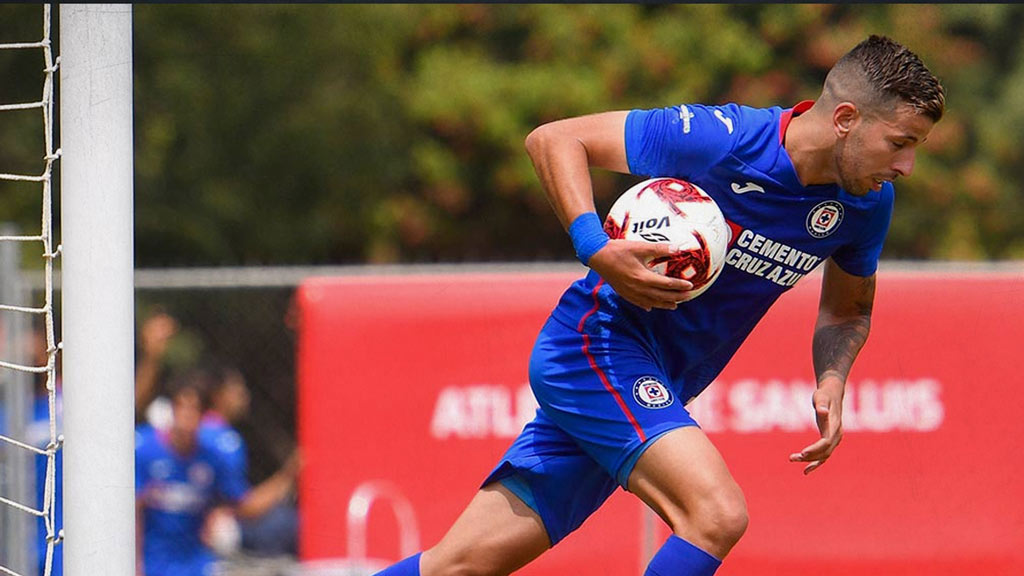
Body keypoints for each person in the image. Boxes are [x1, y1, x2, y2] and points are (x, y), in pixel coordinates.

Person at [373, 35, 945, 576]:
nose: (905, 167)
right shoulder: (726, 138)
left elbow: (847, 312)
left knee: (459, 564)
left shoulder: (867, 206)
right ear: (846, 120)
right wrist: (596, 247)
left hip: (654, 379)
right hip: (597, 346)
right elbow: (553, 139)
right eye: (899, 144)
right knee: (716, 514)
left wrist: (832, 376)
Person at [135, 376, 297, 576]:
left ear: (204, 416)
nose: (186, 417)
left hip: (197, 565)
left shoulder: (214, 456)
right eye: (180, 407)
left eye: (194, 410)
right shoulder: (145, 449)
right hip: (152, 564)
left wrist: (288, 475)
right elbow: (134, 510)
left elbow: (244, 505)